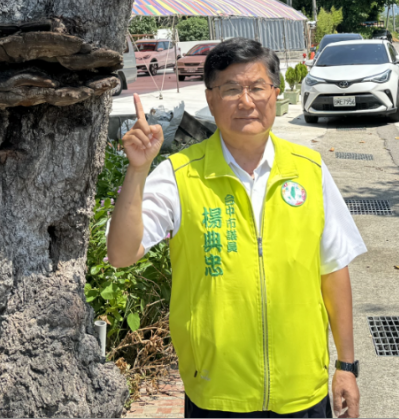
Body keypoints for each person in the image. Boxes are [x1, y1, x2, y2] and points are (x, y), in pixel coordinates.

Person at [107, 37, 366, 419]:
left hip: (301, 389)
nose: (246, 101)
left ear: (275, 93)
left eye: (257, 87)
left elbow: (333, 269)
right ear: (210, 99)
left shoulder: (310, 171)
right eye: (230, 89)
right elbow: (121, 254)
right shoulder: (180, 175)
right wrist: (138, 170)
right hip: (217, 393)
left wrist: (346, 366)